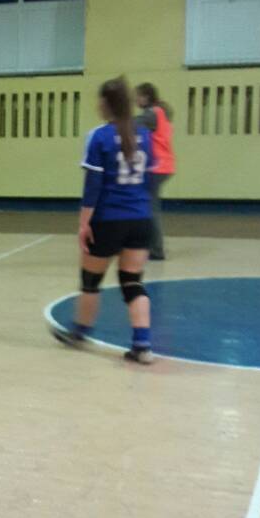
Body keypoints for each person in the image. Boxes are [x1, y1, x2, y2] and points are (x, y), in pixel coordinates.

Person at [53, 77, 154, 365]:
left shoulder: (99, 136)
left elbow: (93, 186)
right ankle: (142, 344)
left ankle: (80, 332)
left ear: (105, 103)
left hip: (108, 219)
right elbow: (149, 180)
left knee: (90, 281)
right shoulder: (144, 135)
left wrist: (84, 224)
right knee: (132, 282)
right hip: (141, 218)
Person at [135, 83, 175, 260]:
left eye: (138, 96)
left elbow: (133, 124)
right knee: (147, 206)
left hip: (156, 167)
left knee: (150, 209)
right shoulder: (161, 113)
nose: (136, 100)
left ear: (146, 97)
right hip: (164, 165)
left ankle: (156, 250)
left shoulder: (152, 113)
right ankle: (146, 244)